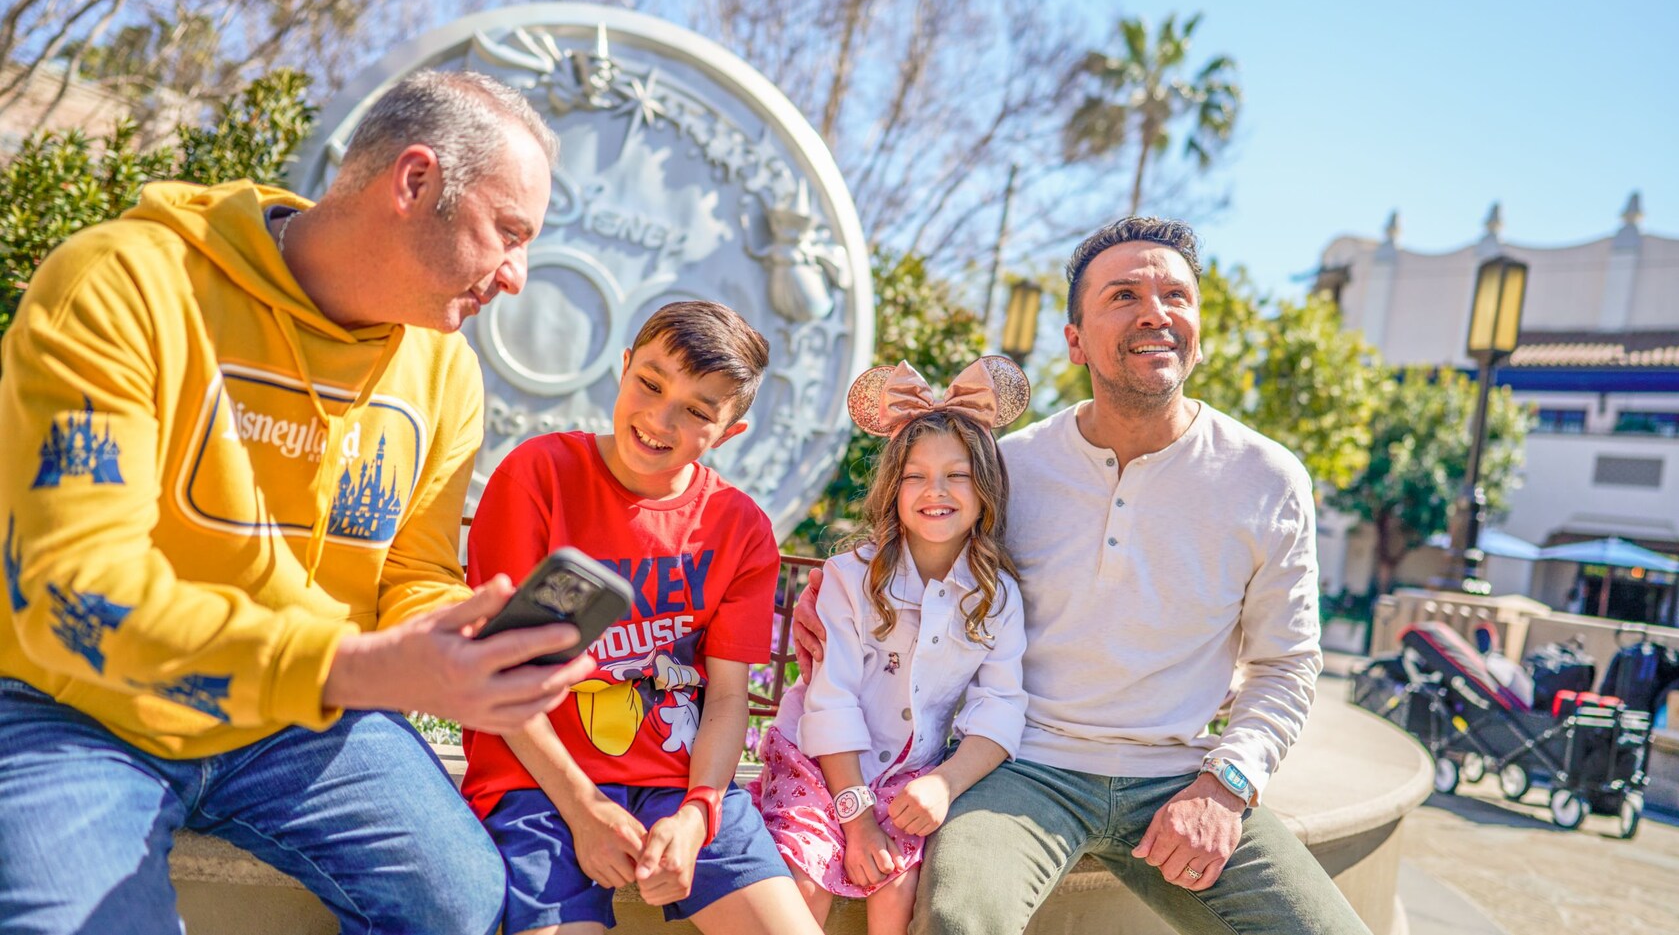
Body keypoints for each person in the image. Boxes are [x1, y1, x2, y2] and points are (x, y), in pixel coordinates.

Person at [0, 70, 595, 935]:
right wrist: (344, 669)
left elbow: (412, 571)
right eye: (508, 232)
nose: (518, 275)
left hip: (294, 725)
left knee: (461, 902)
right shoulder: (122, 284)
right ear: (415, 181)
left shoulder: (445, 369)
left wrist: (459, 635)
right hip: (78, 705)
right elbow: (72, 593)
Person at [796, 218, 1373, 934]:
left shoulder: (1268, 478)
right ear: (1075, 341)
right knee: (957, 916)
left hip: (1181, 776)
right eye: (1124, 294)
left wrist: (1227, 783)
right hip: (1021, 769)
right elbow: (917, 558)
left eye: (1174, 295)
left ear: (1199, 326)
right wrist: (829, 593)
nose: (1154, 312)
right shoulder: (1010, 468)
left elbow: (1285, 663)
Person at [459, 301, 822, 935]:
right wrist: (583, 808)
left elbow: (729, 696)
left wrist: (698, 815)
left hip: (683, 789)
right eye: (649, 384)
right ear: (623, 367)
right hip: (538, 786)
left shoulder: (739, 529)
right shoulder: (536, 476)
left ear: (730, 431)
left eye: (698, 411)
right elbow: (497, 673)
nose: (660, 418)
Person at [752, 358, 1030, 935]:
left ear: (985, 491)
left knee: (899, 885)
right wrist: (855, 820)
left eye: (958, 475)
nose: (937, 491)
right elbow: (831, 700)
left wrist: (945, 782)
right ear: (891, 488)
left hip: (913, 770)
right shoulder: (850, 578)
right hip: (819, 762)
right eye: (915, 475)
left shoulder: (996, 596)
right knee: (804, 880)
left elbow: (1000, 706)